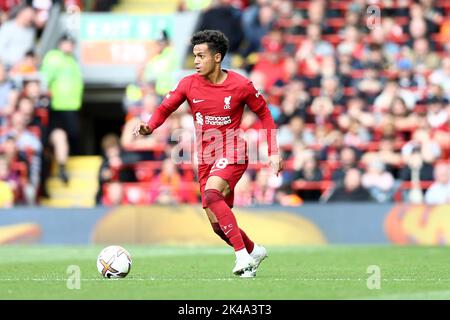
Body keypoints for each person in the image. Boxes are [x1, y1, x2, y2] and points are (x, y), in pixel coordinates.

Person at [133, 30, 283, 278]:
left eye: (201, 56)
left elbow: (265, 114)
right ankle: (254, 251)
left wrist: (274, 152)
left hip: (233, 149)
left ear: (217, 57)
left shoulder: (240, 85)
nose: (196, 61)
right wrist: (150, 126)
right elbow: (166, 107)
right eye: (195, 56)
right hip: (205, 157)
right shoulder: (188, 83)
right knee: (217, 226)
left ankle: (242, 257)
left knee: (213, 194)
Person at [40, 33, 84, 183]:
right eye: (67, 42)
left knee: (72, 135)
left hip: (71, 106)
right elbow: (45, 79)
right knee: (59, 136)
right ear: (60, 43)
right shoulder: (54, 57)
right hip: (57, 107)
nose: (70, 46)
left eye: (72, 43)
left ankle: (60, 163)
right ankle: (59, 166)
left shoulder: (72, 60)